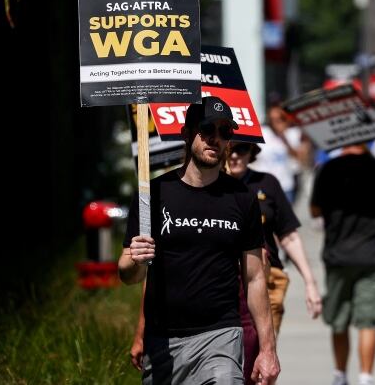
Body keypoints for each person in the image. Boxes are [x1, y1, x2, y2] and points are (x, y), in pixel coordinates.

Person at [120, 96, 280, 385]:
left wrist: (268, 350)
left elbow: (255, 277)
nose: (215, 139)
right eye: (207, 129)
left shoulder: (242, 198)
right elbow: (130, 276)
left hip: (221, 336)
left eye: (224, 132)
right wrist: (136, 260)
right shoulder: (152, 195)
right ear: (185, 134)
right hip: (163, 344)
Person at [310, 143, 375, 385]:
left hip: (338, 254)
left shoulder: (327, 168)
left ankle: (340, 375)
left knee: (338, 319)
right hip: (373, 254)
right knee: (369, 320)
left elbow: (314, 211)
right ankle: (366, 378)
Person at [225, 140, 323, 384]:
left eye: (242, 149)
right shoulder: (212, 187)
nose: (235, 155)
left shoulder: (266, 183)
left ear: (252, 153)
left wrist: (310, 283)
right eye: (230, 148)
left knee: (262, 363)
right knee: (227, 361)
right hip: (223, 284)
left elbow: (288, 235)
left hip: (267, 282)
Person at [252, 103, 309, 203]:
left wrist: (285, 139)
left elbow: (301, 160)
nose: (276, 122)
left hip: (285, 186)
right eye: (273, 119)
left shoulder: (293, 134)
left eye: (280, 119)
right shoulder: (262, 132)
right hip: (263, 186)